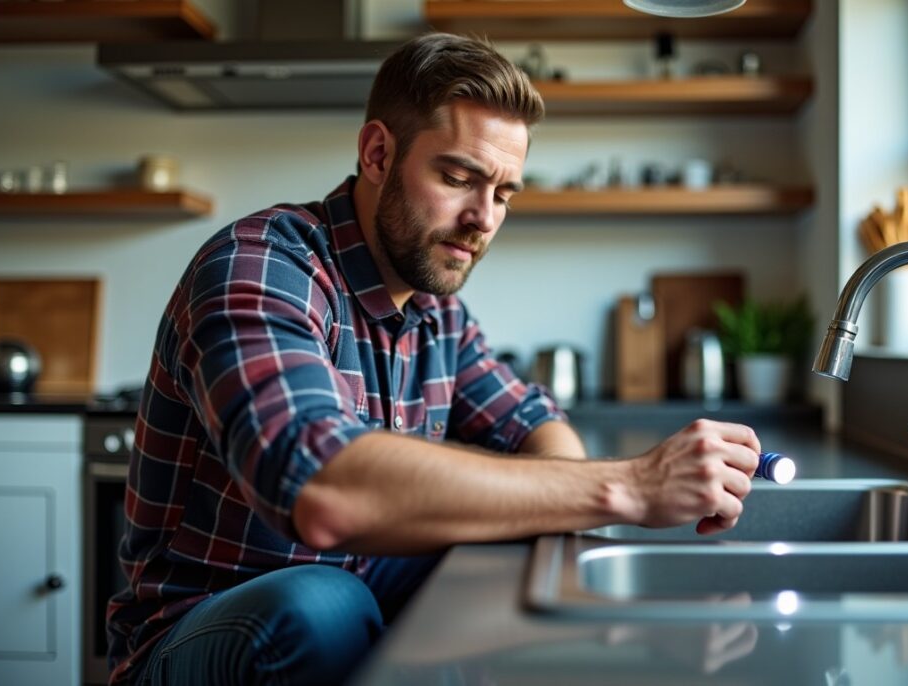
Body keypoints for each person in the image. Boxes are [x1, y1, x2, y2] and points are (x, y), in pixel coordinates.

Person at [106, 32, 762, 686]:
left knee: (521, 542)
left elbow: (534, 424)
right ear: (377, 153)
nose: (483, 218)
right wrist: (630, 487)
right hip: (195, 633)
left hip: (358, 585)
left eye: (504, 194)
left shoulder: (434, 311)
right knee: (318, 607)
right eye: (458, 178)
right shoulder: (261, 266)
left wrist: (610, 578)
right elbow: (325, 492)